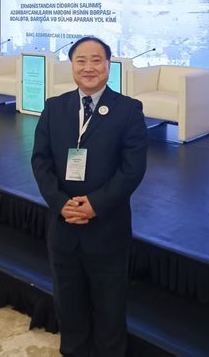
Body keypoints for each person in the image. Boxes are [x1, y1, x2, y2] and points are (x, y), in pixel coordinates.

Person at [31, 36, 148, 357]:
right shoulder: (55, 107)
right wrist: (60, 203)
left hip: (107, 227)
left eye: (96, 60)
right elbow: (40, 161)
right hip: (63, 225)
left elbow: (132, 170)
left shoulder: (128, 110)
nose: (89, 67)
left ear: (109, 65)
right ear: (72, 66)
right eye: (81, 60)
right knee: (68, 300)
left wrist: (95, 204)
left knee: (110, 303)